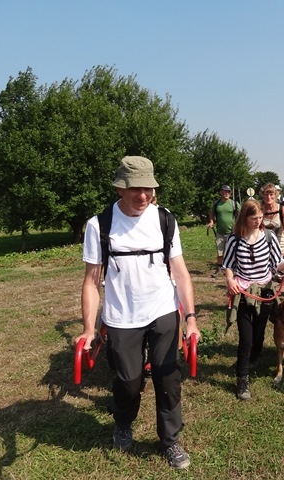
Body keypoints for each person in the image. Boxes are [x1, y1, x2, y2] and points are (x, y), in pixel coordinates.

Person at [77, 156, 200, 469]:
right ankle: (123, 420)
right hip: (121, 317)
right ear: (120, 187)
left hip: (162, 310)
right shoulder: (99, 225)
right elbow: (92, 281)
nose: (142, 195)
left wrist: (191, 318)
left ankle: (170, 440)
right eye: (135, 188)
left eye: (148, 188)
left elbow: (181, 273)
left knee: (167, 377)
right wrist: (90, 329)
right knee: (129, 382)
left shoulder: (165, 219)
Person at [223, 199, 284, 400]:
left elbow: (277, 264)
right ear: (244, 217)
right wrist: (230, 280)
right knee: (246, 338)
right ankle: (242, 379)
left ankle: (254, 357)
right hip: (243, 293)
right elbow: (228, 265)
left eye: (260, 217)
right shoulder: (234, 239)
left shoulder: (269, 237)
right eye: (254, 218)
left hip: (265, 291)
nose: (258, 221)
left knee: (259, 334)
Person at [207, 185, 240, 277]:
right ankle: (219, 269)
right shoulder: (216, 203)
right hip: (220, 232)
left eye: (228, 192)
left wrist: (238, 225)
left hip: (232, 233)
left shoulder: (234, 203)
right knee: (220, 251)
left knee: (233, 251)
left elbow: (241, 213)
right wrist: (211, 221)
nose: (227, 193)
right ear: (221, 192)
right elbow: (211, 213)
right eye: (225, 191)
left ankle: (233, 269)